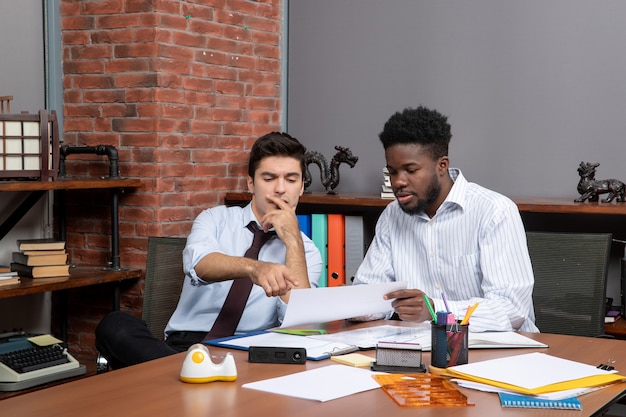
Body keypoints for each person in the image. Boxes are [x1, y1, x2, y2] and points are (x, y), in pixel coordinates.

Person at [96, 132, 323, 369]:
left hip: (247, 354)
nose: (280, 189)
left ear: (301, 187)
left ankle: (183, 379)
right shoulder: (215, 219)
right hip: (183, 347)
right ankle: (189, 373)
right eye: (269, 178)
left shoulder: (307, 251)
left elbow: (299, 327)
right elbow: (199, 265)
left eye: (291, 179)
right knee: (115, 326)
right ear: (250, 183)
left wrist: (293, 241)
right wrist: (254, 268)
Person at [353, 106, 538, 333]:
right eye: (392, 172)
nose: (398, 182)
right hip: (420, 348)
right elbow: (373, 293)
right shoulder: (392, 215)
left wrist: (434, 310)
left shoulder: (494, 211)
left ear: (442, 165)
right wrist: (354, 306)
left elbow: (512, 310)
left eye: (410, 170)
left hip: (497, 350)